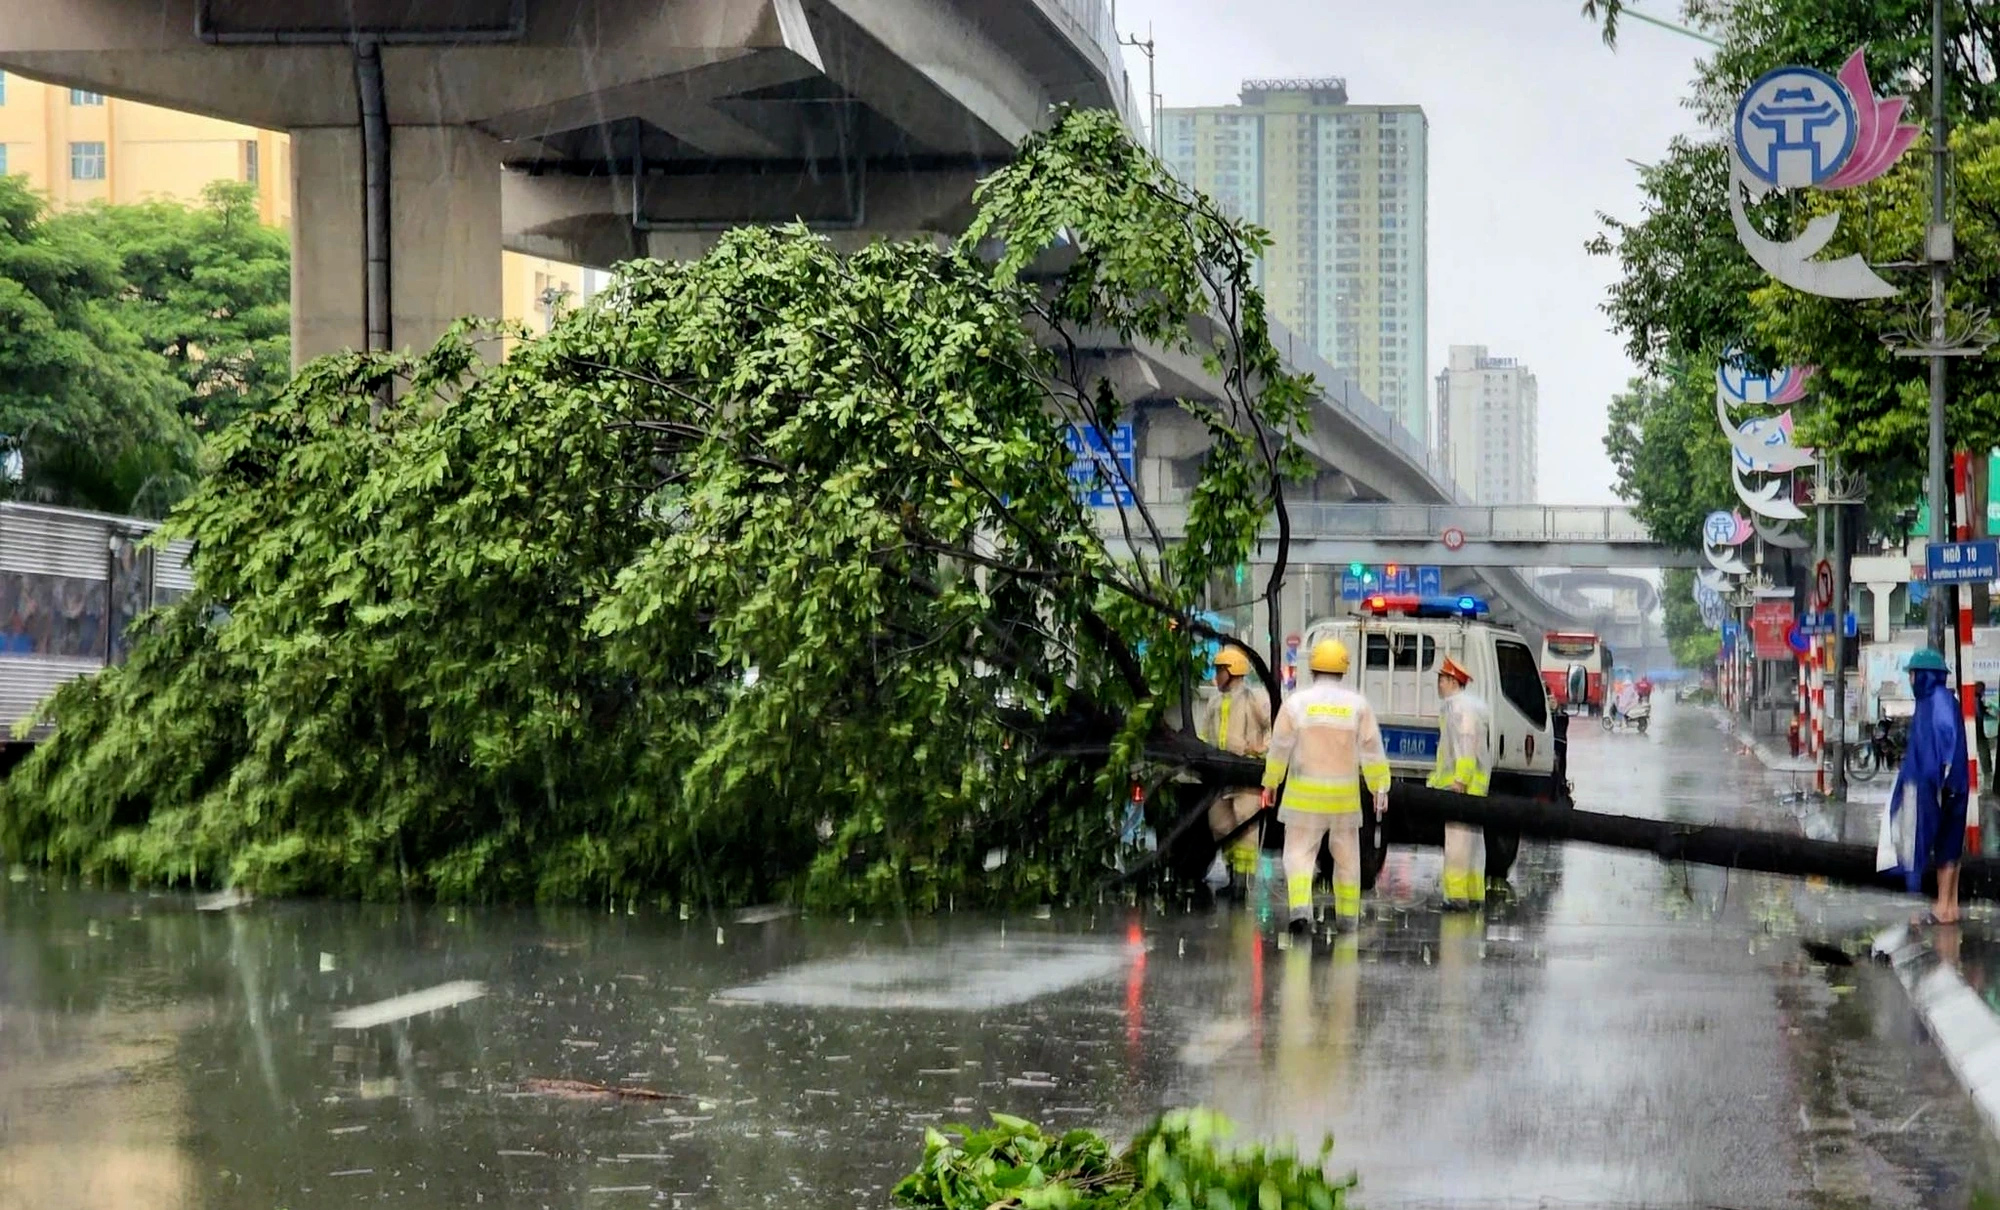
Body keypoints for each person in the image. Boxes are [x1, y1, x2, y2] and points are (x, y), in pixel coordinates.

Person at [1259, 638, 1391, 937]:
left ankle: (1300, 913)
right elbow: (1372, 751)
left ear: (1313, 666)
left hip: (1304, 801)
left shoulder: (1296, 704)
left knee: (1298, 857)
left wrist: (1270, 784)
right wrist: (1379, 789)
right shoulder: (1357, 706)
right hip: (1343, 802)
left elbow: (1279, 749)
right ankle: (1347, 919)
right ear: (1344, 669)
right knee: (1347, 861)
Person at [1886, 648, 1970, 926]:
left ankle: (1941, 906)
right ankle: (1949, 906)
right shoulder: (1941, 700)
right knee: (1950, 845)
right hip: (1954, 785)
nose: (1910, 679)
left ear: (1924, 676)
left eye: (1912, 674)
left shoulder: (1936, 702)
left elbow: (1943, 744)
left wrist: (1935, 781)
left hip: (1938, 786)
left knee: (1926, 842)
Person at [1196, 645, 1272, 902]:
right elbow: (1205, 734)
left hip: (1248, 775)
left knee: (1244, 823)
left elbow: (1273, 729)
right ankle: (1230, 874)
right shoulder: (1215, 703)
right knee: (1219, 824)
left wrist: (1259, 750)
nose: (1216, 676)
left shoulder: (1254, 699)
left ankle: (1241, 883)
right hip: (1221, 775)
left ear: (1233, 672)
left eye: (1219, 671)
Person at [1428, 655, 1493, 910]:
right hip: (1475, 788)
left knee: (1457, 844)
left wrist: (1459, 780)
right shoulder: (1466, 707)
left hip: (1462, 789)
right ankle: (1474, 894)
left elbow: (1465, 747)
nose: (1439, 684)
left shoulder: (1459, 709)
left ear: (1453, 681)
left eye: (1442, 679)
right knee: (1474, 846)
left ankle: (1456, 897)